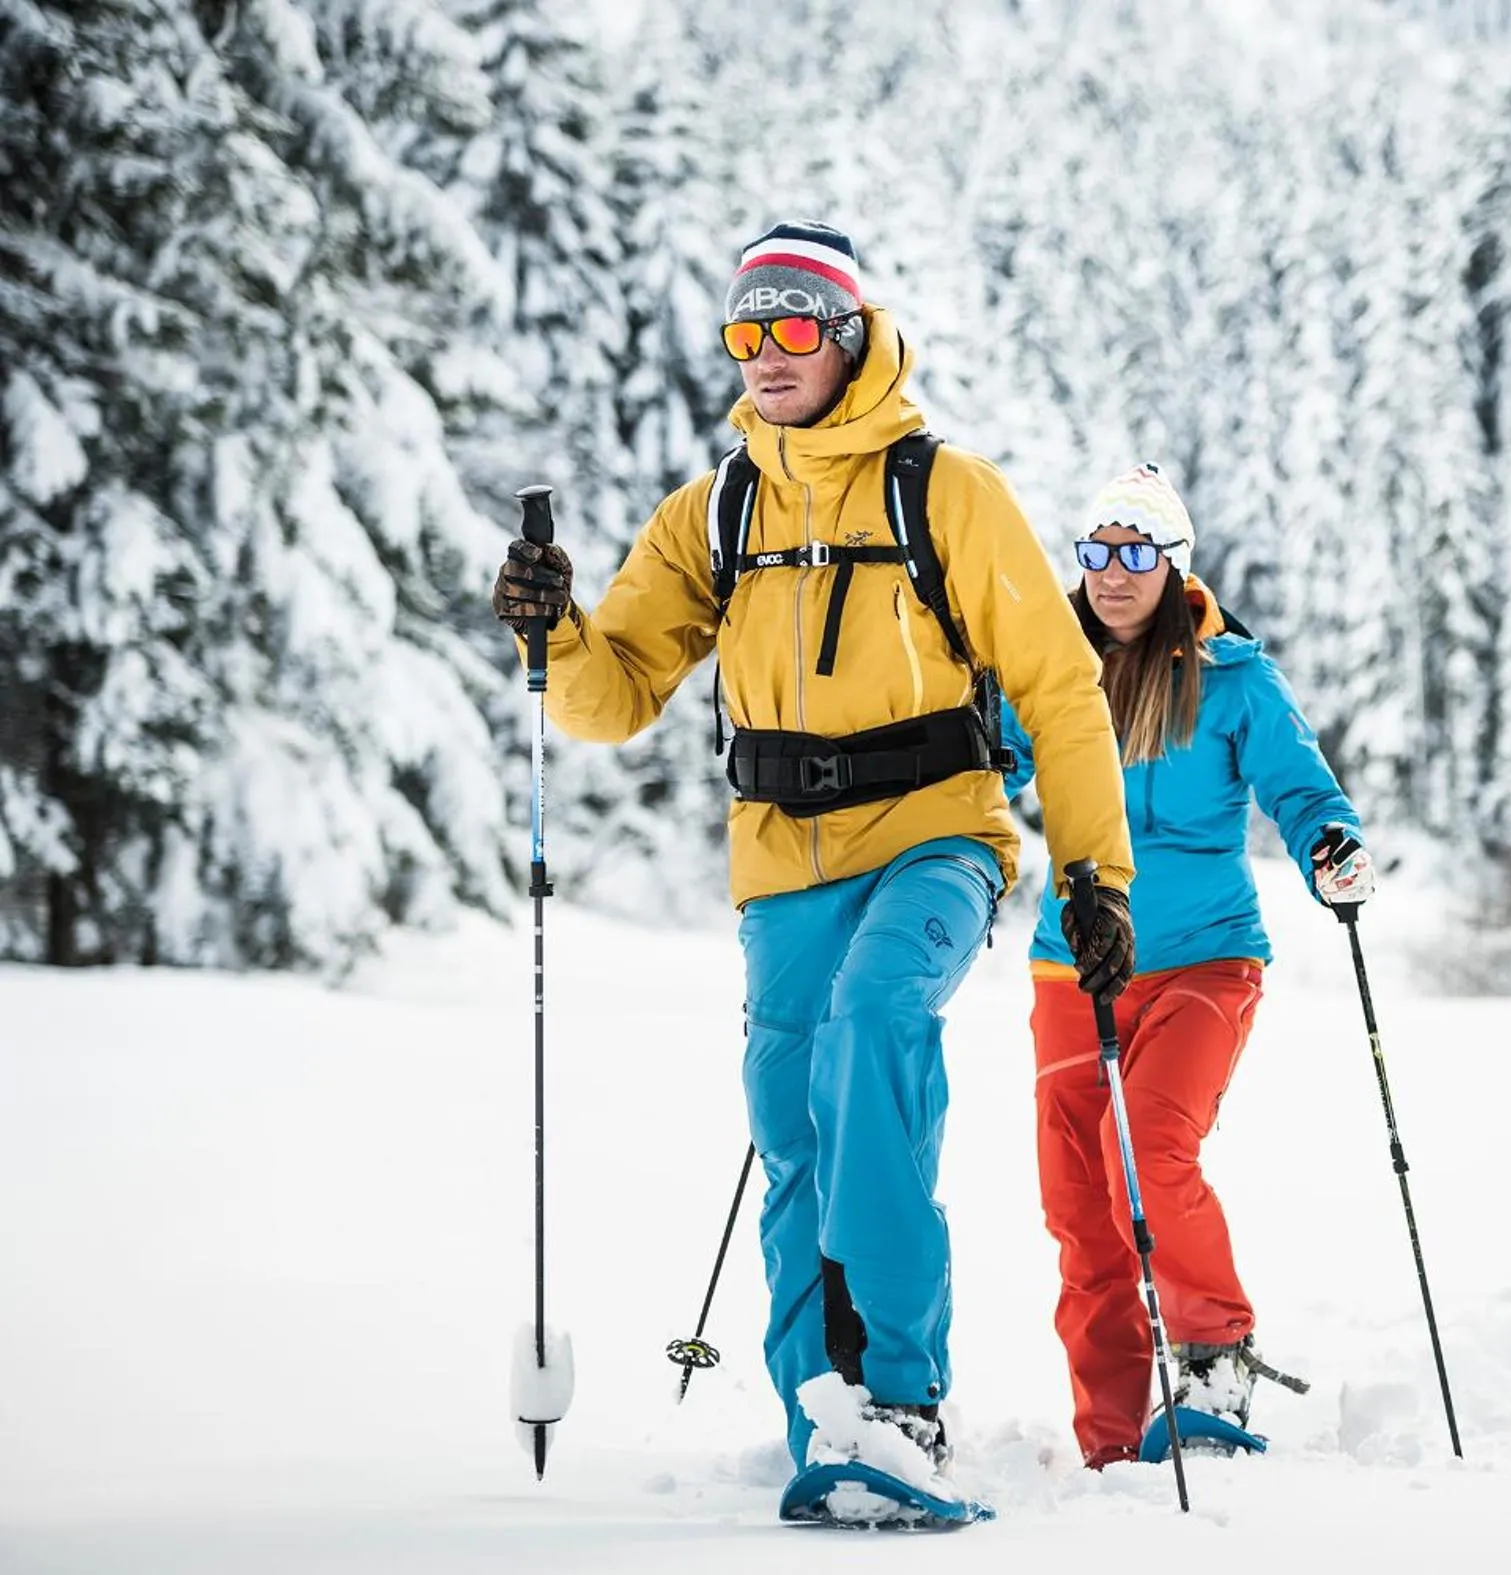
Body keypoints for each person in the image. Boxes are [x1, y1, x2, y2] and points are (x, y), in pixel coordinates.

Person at [490, 222, 1136, 1509]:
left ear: (847, 335)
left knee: (873, 1029)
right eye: (746, 327)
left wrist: (1094, 875)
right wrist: (552, 628)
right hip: (781, 860)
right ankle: (824, 1423)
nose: (766, 351)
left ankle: (903, 1398)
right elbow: (612, 698)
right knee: (791, 1133)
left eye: (794, 324)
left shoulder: (943, 489)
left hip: (936, 835)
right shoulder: (715, 510)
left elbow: (1058, 689)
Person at [1000, 463, 1377, 1470]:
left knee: (1150, 1148)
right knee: (1080, 1209)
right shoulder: (1047, 667)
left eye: (1135, 554)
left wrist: (1332, 846)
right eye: (1095, 553)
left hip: (1207, 959)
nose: (1111, 575)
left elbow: (1302, 793)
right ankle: (1114, 1439)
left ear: (1175, 567)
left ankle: (1211, 1355)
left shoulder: (1231, 678)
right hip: (1072, 964)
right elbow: (982, 768)